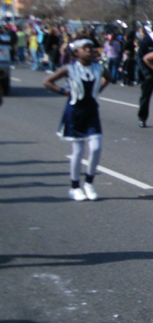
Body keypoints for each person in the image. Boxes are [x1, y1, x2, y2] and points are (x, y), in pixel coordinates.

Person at [43, 37, 110, 201]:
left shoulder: (99, 68)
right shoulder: (69, 68)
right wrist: (63, 91)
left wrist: (97, 89)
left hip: (92, 111)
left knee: (96, 147)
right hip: (75, 113)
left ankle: (89, 183)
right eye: (85, 48)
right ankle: (74, 187)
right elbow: (47, 81)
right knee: (78, 151)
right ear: (76, 52)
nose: (89, 50)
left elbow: (107, 78)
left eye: (91, 47)